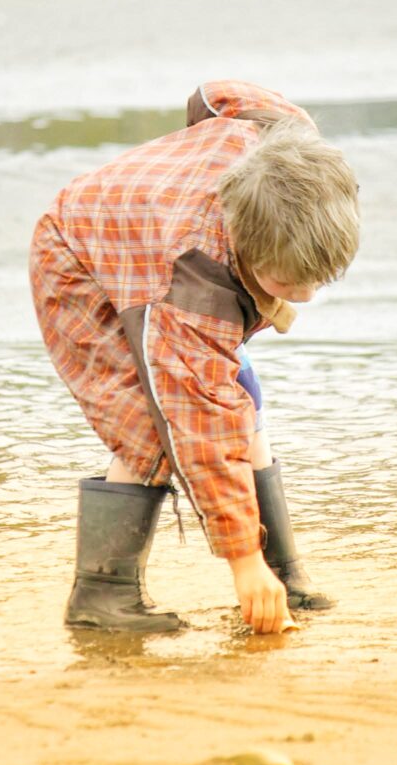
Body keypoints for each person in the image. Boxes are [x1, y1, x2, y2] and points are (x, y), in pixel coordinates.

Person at [29, 80, 359, 635]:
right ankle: (102, 594)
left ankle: (283, 574)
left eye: (319, 280)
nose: (303, 296)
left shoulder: (288, 143)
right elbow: (199, 425)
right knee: (152, 426)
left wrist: (189, 144)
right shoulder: (193, 289)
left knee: (244, 401)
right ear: (242, 243)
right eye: (287, 281)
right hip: (77, 257)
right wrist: (241, 563)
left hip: (149, 230)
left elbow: (218, 95)